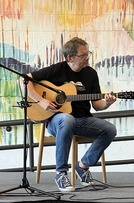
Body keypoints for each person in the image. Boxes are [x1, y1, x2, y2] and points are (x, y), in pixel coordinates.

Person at [20, 37, 117, 192]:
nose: (88, 57)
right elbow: (24, 80)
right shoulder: (57, 70)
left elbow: (97, 105)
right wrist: (41, 101)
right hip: (57, 121)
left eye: (88, 53)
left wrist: (107, 103)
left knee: (110, 129)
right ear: (70, 57)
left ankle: (82, 166)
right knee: (67, 118)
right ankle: (61, 173)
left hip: (83, 120)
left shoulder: (91, 74)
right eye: (84, 55)